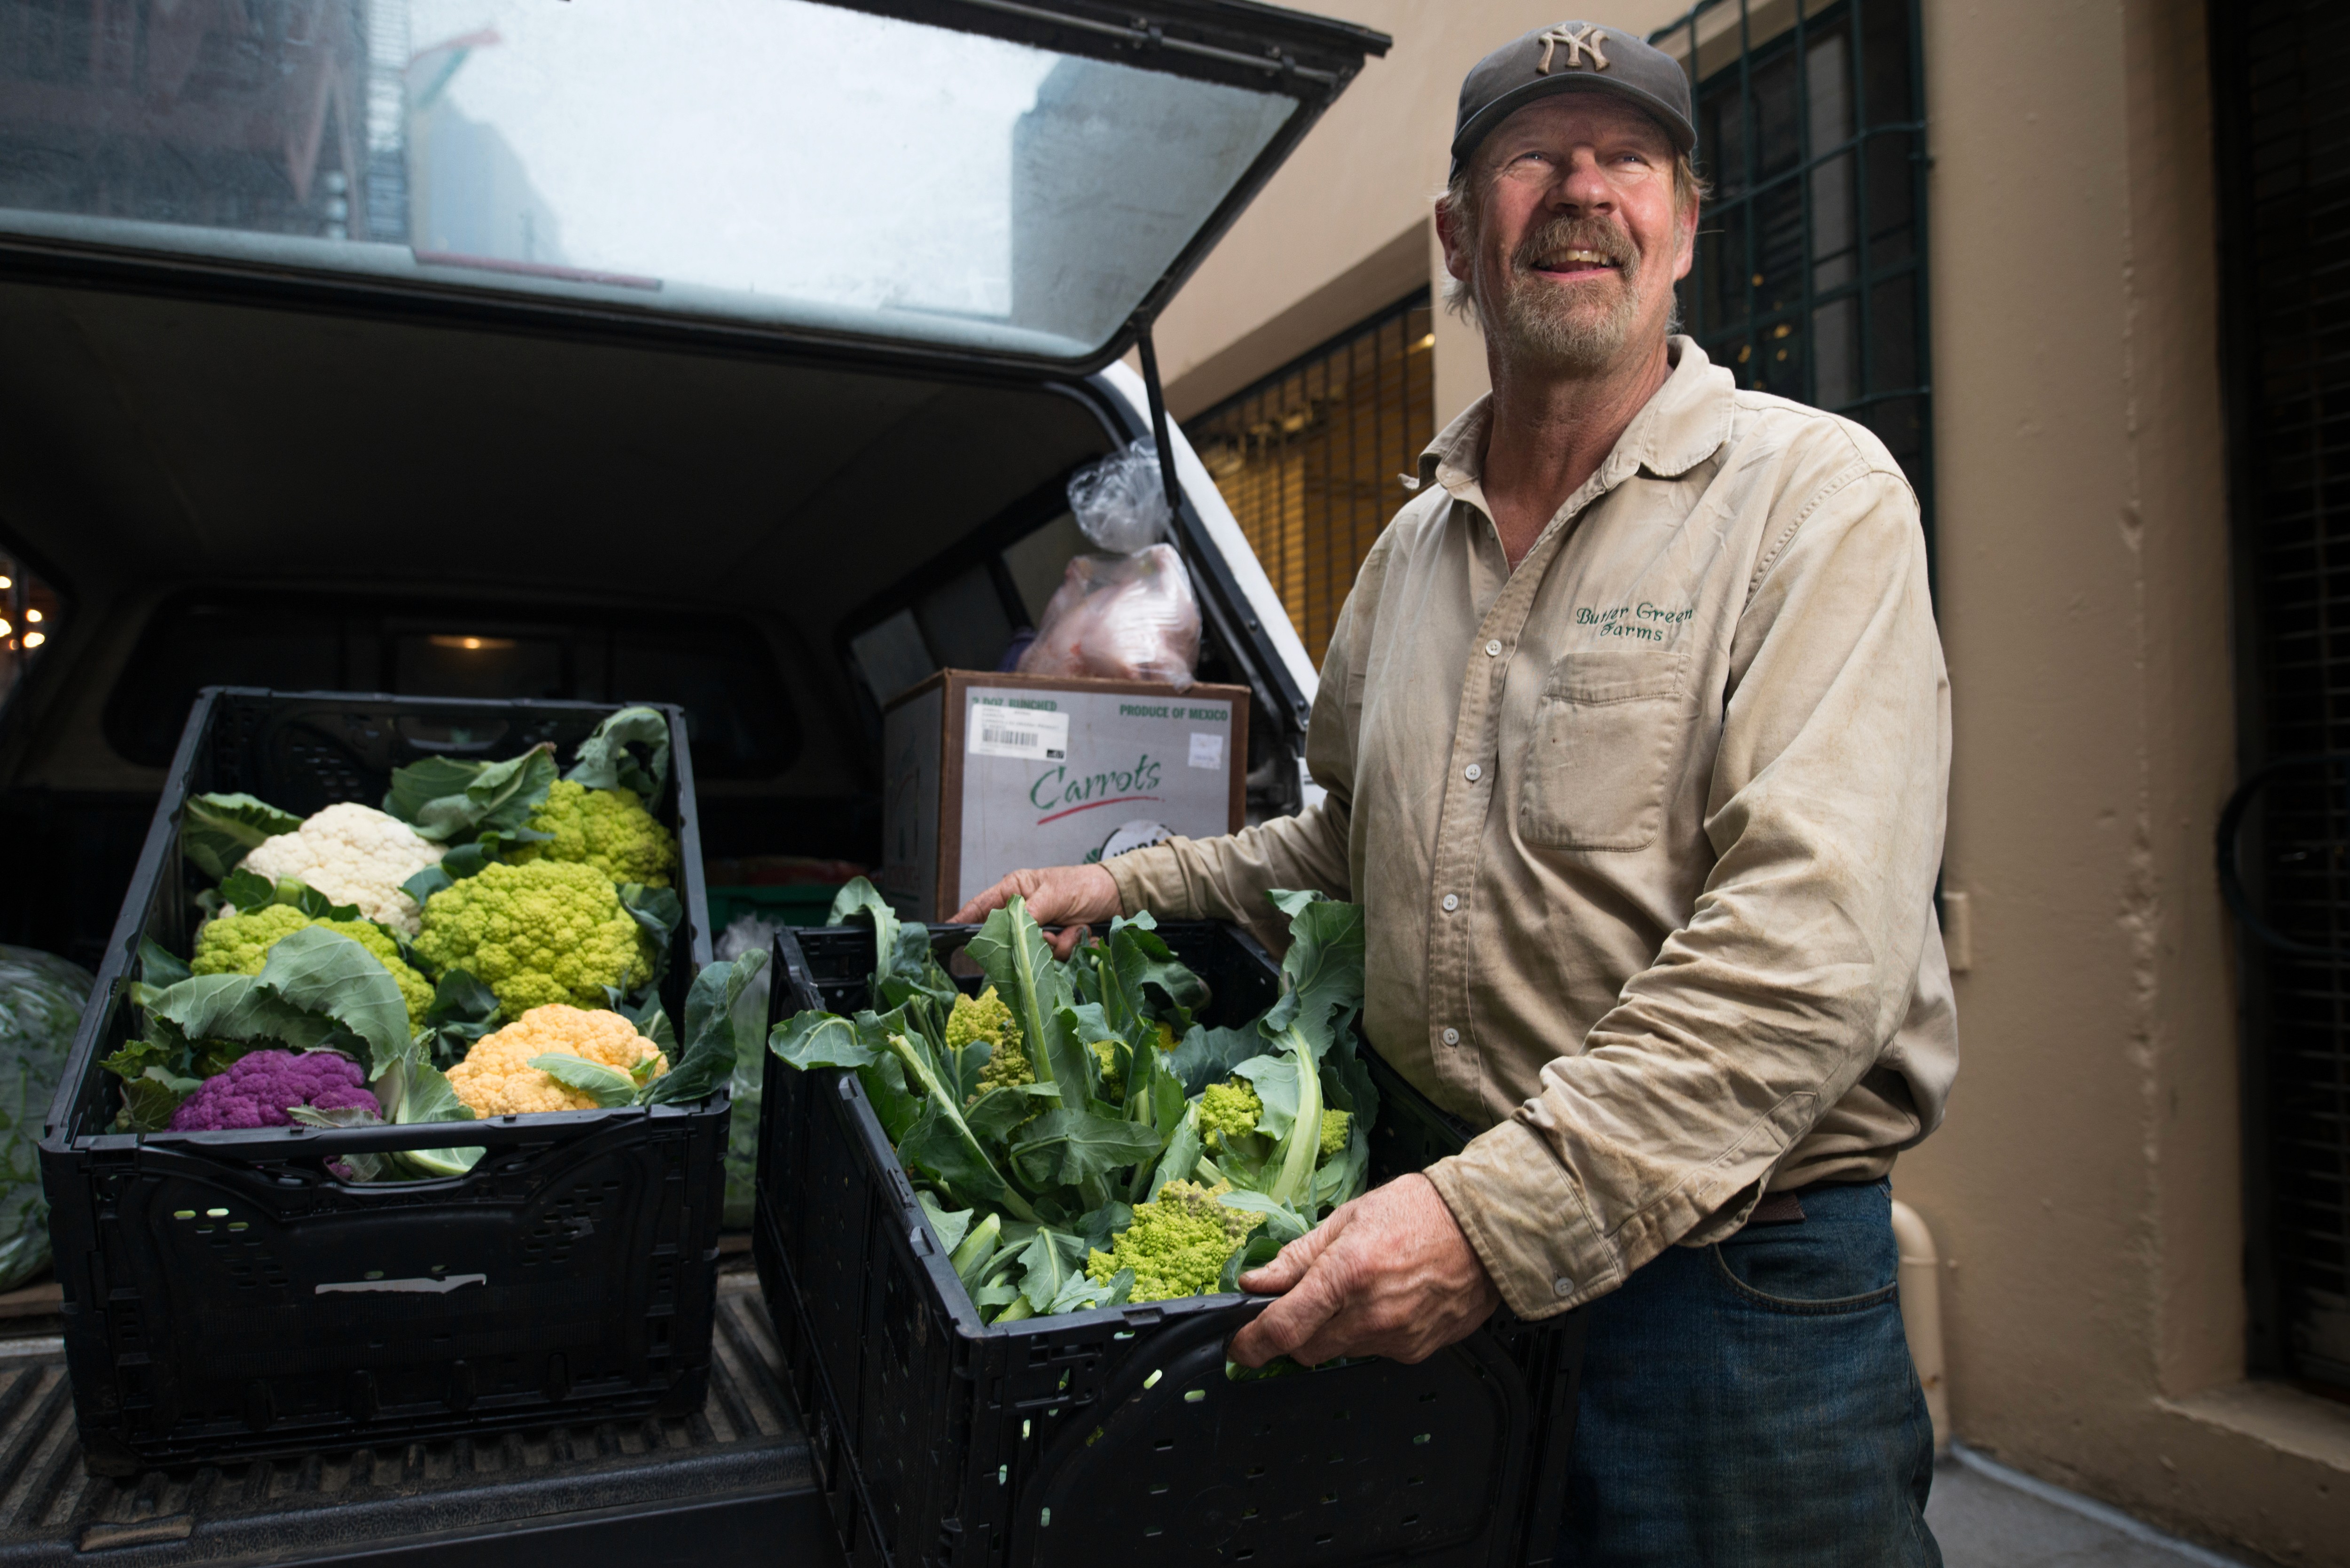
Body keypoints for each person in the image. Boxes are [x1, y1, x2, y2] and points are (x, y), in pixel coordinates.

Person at [952, 19, 1952, 1564]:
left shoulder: (1812, 500)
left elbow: (1806, 953)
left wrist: (1493, 1223)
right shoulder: (1411, 550)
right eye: (1530, 160)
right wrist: (1120, 884)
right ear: (1455, 239)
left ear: (1686, 227)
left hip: (1728, 1298)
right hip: (1435, 1238)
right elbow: (1356, 836)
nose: (1581, 192)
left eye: (1627, 159)